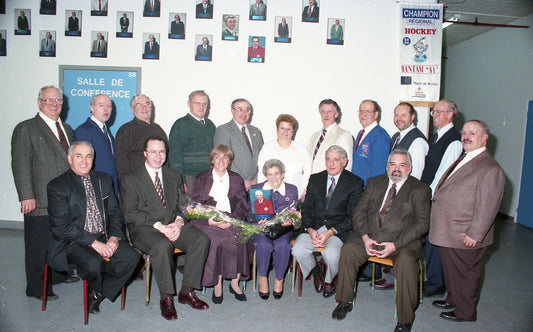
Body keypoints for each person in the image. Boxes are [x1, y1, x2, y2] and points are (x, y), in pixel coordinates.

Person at [333, 149, 431, 332]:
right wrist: (364, 237)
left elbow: (422, 224)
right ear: (387, 166)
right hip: (369, 235)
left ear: (409, 168)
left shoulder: (420, 190)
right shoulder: (374, 183)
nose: (396, 169)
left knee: (406, 262)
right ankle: (344, 301)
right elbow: (359, 211)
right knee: (348, 249)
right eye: (392, 164)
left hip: (402, 243)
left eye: (402, 165)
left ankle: (404, 319)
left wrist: (395, 244)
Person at [121, 136, 210, 320]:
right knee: (163, 246)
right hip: (145, 229)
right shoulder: (131, 179)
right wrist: (159, 226)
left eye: (161, 151)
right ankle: (166, 298)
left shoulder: (173, 175)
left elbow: (182, 206)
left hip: (172, 224)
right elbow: (129, 214)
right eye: (153, 151)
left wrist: (178, 222)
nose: (157, 156)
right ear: (145, 153)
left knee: (201, 240)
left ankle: (187, 292)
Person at [47, 142, 140, 315]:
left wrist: (114, 236)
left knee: (132, 258)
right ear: (69, 159)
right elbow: (61, 227)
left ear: (93, 158)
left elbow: (114, 212)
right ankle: (96, 290)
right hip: (74, 240)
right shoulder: (57, 186)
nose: (84, 161)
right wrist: (93, 243)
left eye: (88, 156)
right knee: (93, 263)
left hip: (104, 235)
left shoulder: (103, 180)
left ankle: (98, 293)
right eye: (78, 156)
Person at [430, 120, 505, 323]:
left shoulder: (490, 168)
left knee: (466, 274)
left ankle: (465, 312)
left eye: (473, 132)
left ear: (484, 137)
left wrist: (475, 233)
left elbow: (488, 206)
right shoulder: (467, 157)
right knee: (452, 270)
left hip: (465, 233)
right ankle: (453, 299)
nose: (466, 136)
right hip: (450, 230)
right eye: (464, 132)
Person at [11, 85, 78, 301]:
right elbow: (20, 164)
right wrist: (26, 195)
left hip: (63, 199)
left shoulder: (66, 129)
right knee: (38, 245)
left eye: (58, 100)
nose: (54, 104)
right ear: (39, 102)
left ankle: (57, 275)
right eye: (48, 100)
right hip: (39, 198)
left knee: (59, 240)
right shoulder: (26, 128)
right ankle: (37, 288)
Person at [292, 145, 363, 298]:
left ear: (344, 162)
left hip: (337, 231)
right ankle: (316, 271)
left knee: (331, 254)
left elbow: (352, 216)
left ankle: (330, 279)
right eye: (328, 159)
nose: (331, 163)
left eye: (336, 160)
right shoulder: (316, 178)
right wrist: (310, 230)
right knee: (297, 249)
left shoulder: (355, 182)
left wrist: (330, 232)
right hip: (315, 228)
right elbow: (307, 208)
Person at [190, 145, 251, 304]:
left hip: (231, 217)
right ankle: (217, 285)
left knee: (241, 237)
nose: (221, 160)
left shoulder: (236, 178)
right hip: (207, 220)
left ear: (229, 161)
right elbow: (194, 206)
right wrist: (209, 220)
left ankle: (234, 283)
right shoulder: (201, 178)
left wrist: (231, 219)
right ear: (212, 159)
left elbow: (242, 204)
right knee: (216, 240)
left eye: (225, 157)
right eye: (217, 157)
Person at [420, 99, 462, 297]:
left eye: (439, 112)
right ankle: (433, 279)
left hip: (437, 200)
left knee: (434, 241)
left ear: (451, 114)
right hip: (429, 196)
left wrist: (426, 198)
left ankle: (436, 283)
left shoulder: (453, 140)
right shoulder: (437, 136)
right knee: (430, 240)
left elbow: (443, 176)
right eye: (433, 112)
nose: (434, 115)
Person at [351, 99, 391, 287]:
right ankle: (365, 267)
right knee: (361, 229)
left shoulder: (380, 136)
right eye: (361, 111)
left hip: (370, 192)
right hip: (359, 190)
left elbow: (379, 171)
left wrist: (372, 196)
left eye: (368, 111)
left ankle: (374, 272)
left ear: (376, 114)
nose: (363, 114)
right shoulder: (361, 133)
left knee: (371, 229)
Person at [251, 159, 298, 300]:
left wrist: (291, 220)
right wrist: (257, 220)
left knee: (283, 245)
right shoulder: (257, 189)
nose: (273, 178)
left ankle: (279, 279)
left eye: (277, 174)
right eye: (269, 174)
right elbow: (249, 213)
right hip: (262, 228)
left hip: (282, 229)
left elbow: (294, 212)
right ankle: (263, 278)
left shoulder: (291, 189)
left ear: (282, 175)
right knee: (263, 245)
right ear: (265, 176)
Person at [169, 90, 216, 193]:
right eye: (197, 103)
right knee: (192, 209)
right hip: (190, 178)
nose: (201, 107)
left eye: (204, 104)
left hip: (208, 177)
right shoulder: (181, 124)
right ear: (189, 104)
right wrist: (181, 181)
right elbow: (174, 156)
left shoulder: (210, 125)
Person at [257, 114, 311, 201]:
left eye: (289, 128)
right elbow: (261, 174)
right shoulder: (267, 148)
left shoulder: (302, 150)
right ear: (277, 129)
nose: (285, 131)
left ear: (293, 131)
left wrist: (303, 192)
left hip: (294, 197)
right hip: (271, 197)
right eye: (282, 128)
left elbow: (307, 173)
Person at [214, 98, 264, 190]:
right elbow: (223, 160)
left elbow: (262, 157)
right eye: (240, 109)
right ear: (232, 111)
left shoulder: (256, 131)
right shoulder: (223, 130)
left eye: (247, 109)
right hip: (234, 183)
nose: (244, 113)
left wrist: (256, 179)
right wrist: (240, 180)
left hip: (254, 185)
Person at [115, 94, 168, 181]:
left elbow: (166, 159)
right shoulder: (126, 130)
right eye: (139, 105)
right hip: (136, 182)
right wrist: (126, 184)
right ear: (132, 109)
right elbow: (121, 161)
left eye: (147, 104)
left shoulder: (158, 129)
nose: (144, 108)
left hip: (158, 180)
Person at [74, 94, 119, 195]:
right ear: (92, 108)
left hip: (110, 189)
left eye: (109, 106)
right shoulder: (84, 131)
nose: (106, 109)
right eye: (101, 105)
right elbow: (82, 166)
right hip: (95, 190)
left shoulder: (106, 131)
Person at [307, 99, 353, 174]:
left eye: (329, 112)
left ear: (336, 114)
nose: (326, 115)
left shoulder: (344, 135)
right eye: (323, 111)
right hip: (311, 181)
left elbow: (347, 166)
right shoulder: (314, 136)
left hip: (329, 182)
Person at [390, 102, 428, 179]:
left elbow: (416, 174)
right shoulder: (396, 136)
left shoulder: (418, 140)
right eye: (396, 115)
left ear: (412, 117)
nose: (399, 119)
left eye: (403, 115)